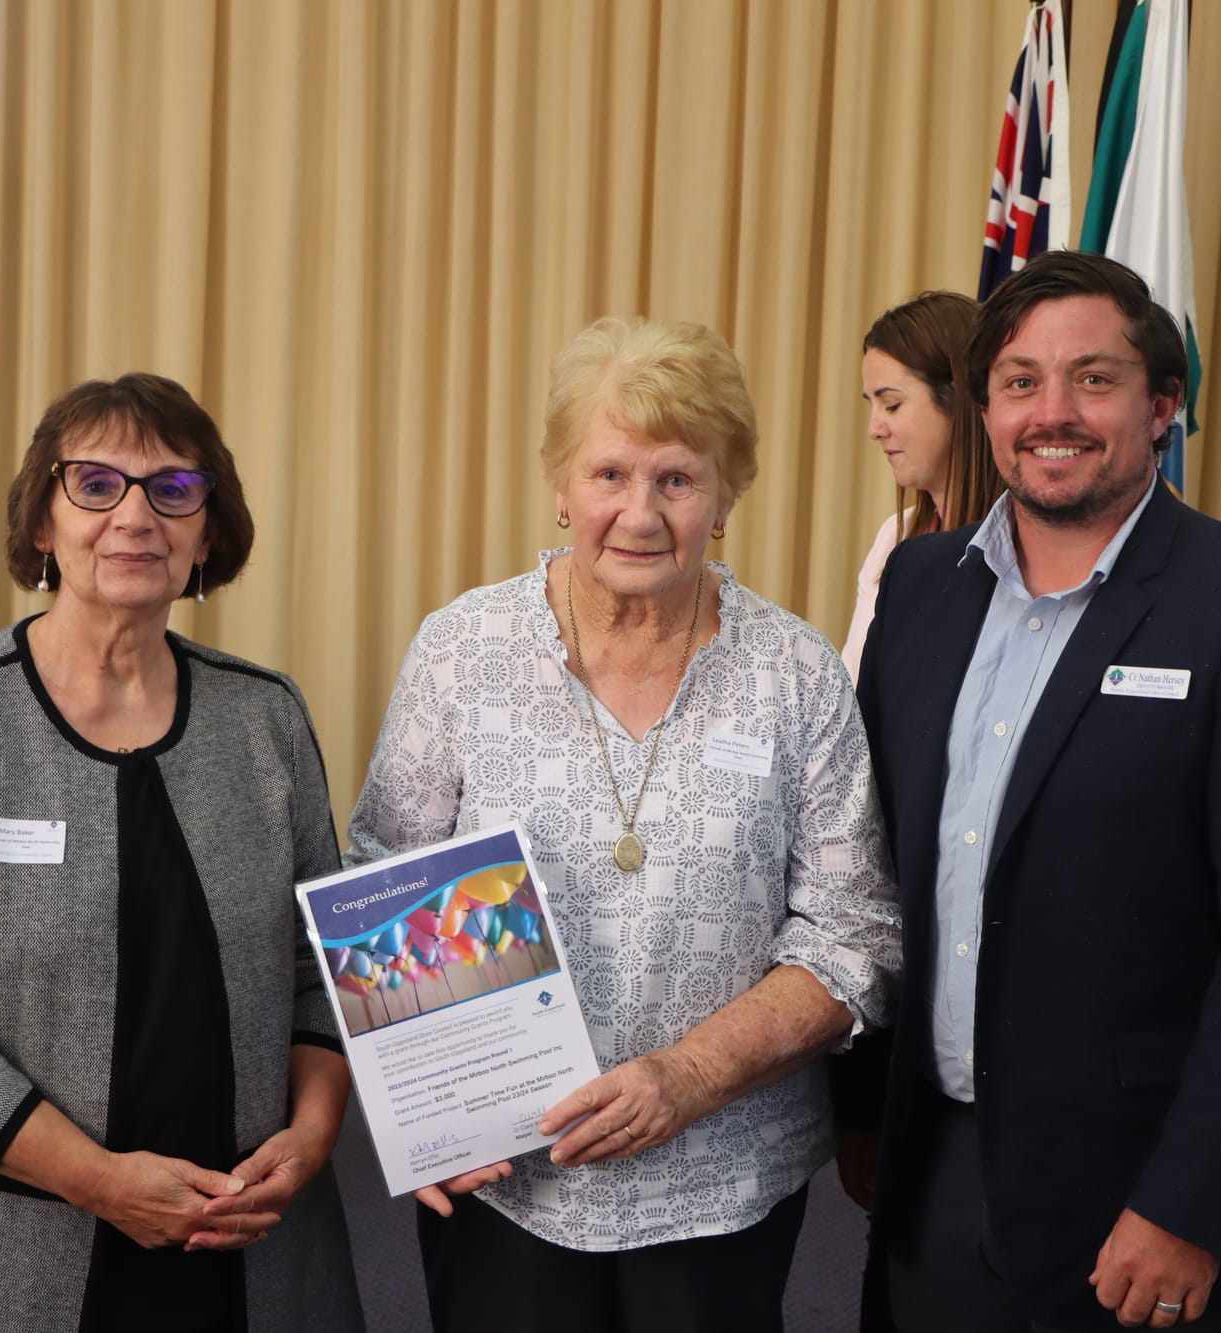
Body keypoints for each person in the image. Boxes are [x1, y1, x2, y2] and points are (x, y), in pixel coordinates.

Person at [844, 252, 1221, 1332]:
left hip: (1138, 1191)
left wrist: (1189, 1200)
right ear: (983, 407)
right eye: (1019, 381)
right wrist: (860, 1108)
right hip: (934, 1161)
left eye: (1093, 379)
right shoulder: (919, 587)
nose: (1052, 412)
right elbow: (882, 861)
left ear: (1162, 403)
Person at [348, 316, 901, 1333]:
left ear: (727, 493)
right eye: (608, 474)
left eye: (676, 479)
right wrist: (428, 1111)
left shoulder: (795, 675)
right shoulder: (460, 651)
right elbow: (387, 876)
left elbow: (852, 935)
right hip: (504, 1175)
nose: (637, 513)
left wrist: (684, 1079)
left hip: (721, 1183)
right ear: (560, 486)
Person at [0, 374, 365, 1332]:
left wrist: (312, 1135)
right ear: (42, 520)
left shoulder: (265, 716)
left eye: (174, 490)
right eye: (97, 484)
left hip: (245, 1240)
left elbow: (324, 966)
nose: (137, 516)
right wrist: (102, 1181)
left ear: (206, 532)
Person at [839, 291, 1004, 681]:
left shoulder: (1026, 546)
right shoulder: (894, 536)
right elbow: (853, 685)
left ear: (959, 399)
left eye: (892, 404)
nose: (875, 430)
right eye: (872, 405)